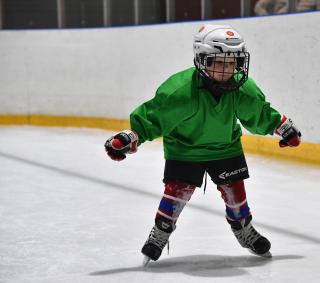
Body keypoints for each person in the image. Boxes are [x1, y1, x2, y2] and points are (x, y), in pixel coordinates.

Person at [104, 24, 301, 264]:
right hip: (185, 149)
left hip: (225, 147)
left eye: (231, 64)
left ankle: (243, 230)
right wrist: (131, 136)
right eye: (218, 63)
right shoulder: (179, 91)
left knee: (235, 193)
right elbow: (153, 118)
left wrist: (282, 127)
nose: (225, 70)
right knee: (176, 194)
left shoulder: (241, 89)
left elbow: (259, 113)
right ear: (202, 59)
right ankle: (161, 232)